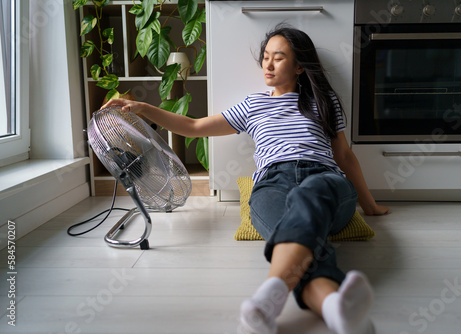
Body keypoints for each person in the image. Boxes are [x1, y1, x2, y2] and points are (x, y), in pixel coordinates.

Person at [103, 24, 389, 334]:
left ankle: (267, 300)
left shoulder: (324, 101)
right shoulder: (254, 104)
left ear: (299, 66)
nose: (267, 64)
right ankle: (334, 309)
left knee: (309, 200)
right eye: (266, 56)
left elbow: (344, 157)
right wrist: (144, 108)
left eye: (278, 58)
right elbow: (195, 126)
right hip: (272, 182)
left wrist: (369, 205)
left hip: (323, 178)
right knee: (302, 233)